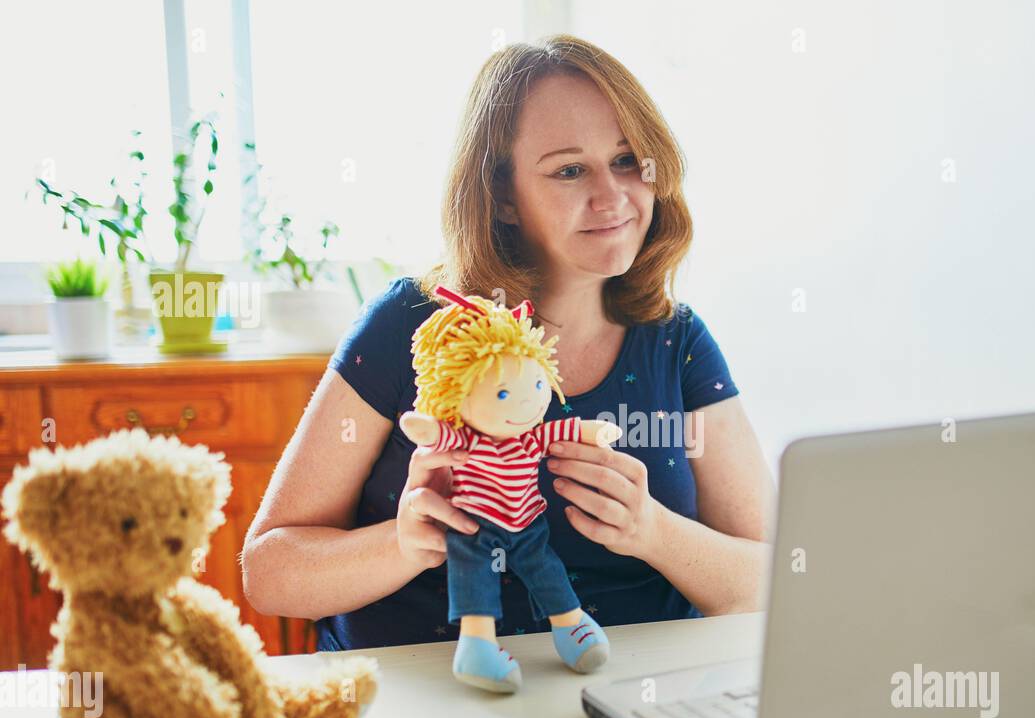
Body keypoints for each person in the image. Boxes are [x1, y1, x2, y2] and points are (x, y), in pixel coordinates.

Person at [241, 34, 775, 651]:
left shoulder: (677, 339)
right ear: (502, 198)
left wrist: (654, 531)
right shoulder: (410, 325)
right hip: (432, 703)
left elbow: (770, 582)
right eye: (570, 170)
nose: (613, 196)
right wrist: (403, 542)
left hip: (628, 702)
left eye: (629, 161)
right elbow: (269, 573)